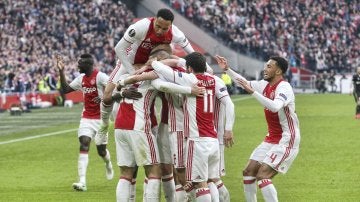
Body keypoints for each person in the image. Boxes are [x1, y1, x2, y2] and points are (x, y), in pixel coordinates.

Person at [99, 8, 202, 142]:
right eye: (158, 26)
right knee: (107, 96)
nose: (160, 31)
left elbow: (193, 55)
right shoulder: (141, 27)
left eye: (164, 29)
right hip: (128, 62)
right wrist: (131, 71)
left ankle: (158, 128)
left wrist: (201, 71)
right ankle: (103, 127)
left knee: (160, 93)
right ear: (154, 20)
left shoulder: (176, 34)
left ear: (170, 26)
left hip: (151, 64)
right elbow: (119, 48)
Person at [114, 50, 204, 202]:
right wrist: (190, 90)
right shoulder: (162, 74)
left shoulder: (128, 76)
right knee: (156, 170)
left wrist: (122, 87)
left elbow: (112, 93)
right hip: (142, 126)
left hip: (120, 126)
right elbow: (163, 85)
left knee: (126, 173)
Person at [148, 52, 233, 201]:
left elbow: (163, 72)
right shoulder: (215, 80)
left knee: (199, 183)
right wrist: (228, 129)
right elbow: (230, 104)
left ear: (189, 68)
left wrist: (154, 62)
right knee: (211, 179)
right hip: (213, 139)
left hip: (196, 140)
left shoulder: (189, 79)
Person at [215, 55, 301, 202]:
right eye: (266, 65)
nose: (265, 69)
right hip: (271, 138)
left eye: (269, 66)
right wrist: (227, 70)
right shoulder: (264, 84)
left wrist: (253, 92)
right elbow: (243, 83)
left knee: (263, 175)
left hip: (287, 139)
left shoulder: (284, 87)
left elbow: (274, 107)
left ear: (278, 71)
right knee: (248, 171)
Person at [56, 54, 141, 191]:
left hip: (102, 119)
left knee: (101, 151)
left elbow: (115, 89)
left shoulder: (101, 77)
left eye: (80, 64)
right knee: (84, 143)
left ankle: (108, 163)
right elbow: (65, 90)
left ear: (88, 65)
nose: (77, 66)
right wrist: (61, 70)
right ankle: (82, 182)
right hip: (87, 118)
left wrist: (102, 98)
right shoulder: (81, 79)